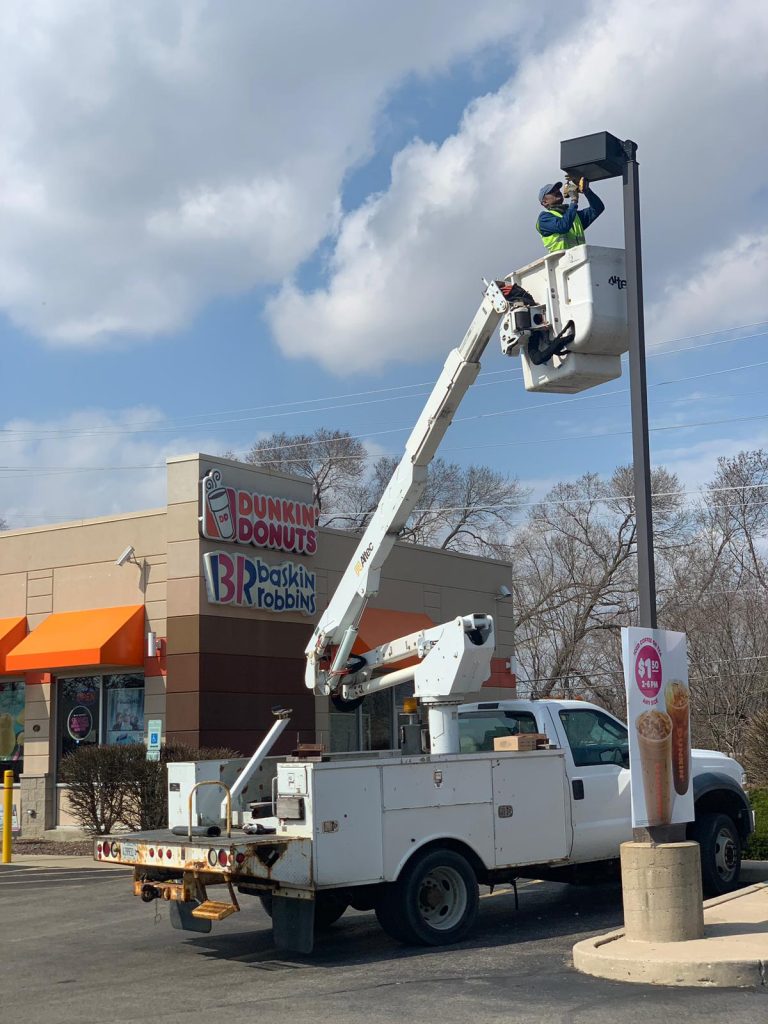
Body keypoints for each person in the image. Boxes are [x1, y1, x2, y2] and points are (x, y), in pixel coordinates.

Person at [536, 179, 604, 253]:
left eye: (557, 189)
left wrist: (586, 190)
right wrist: (574, 200)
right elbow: (563, 226)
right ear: (544, 202)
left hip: (579, 259)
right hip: (561, 261)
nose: (557, 191)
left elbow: (598, 208)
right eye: (551, 192)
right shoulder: (544, 218)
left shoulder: (573, 216)